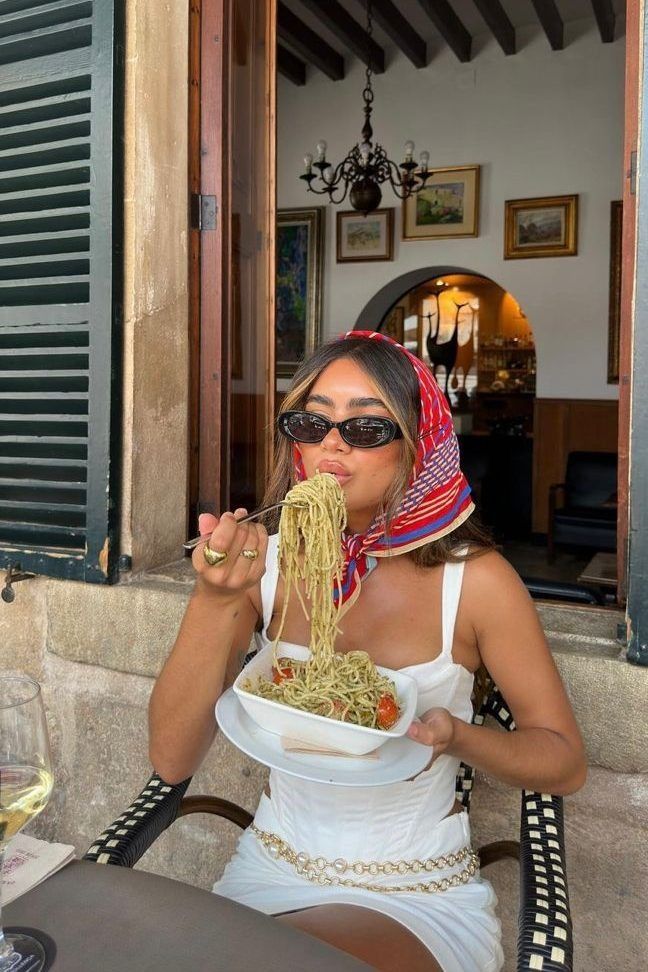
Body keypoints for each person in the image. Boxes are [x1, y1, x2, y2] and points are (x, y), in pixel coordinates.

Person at [149, 331, 586, 972]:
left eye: (368, 429)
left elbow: (564, 763)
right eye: (312, 421)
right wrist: (214, 604)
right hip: (272, 863)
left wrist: (455, 738)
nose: (331, 443)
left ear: (420, 445)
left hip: (417, 888)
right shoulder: (265, 562)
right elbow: (170, 758)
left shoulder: (478, 582)